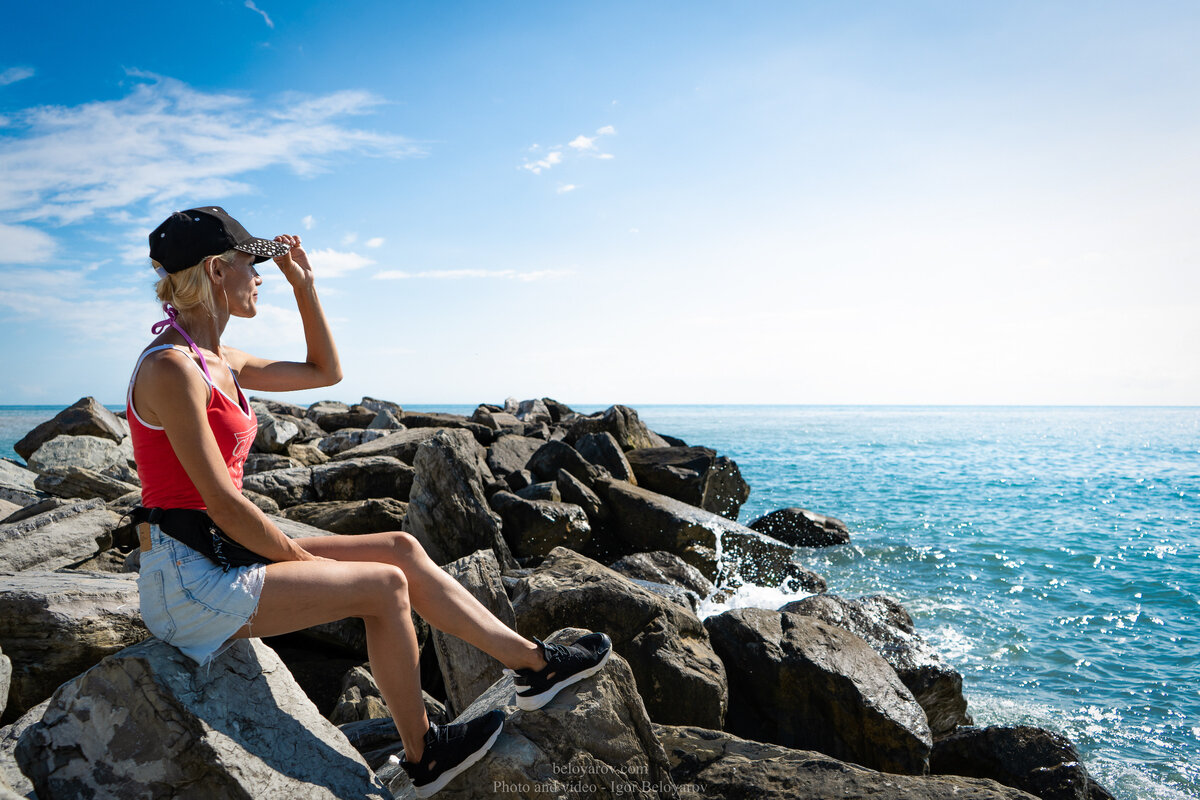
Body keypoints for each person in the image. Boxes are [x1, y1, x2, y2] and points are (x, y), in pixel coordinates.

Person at [127, 207, 611, 798]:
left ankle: (533, 665)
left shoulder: (221, 361)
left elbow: (324, 371)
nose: (261, 275)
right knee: (384, 588)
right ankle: (424, 754)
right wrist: (307, 568)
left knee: (400, 548)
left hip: (220, 555)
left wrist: (305, 288)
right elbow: (224, 505)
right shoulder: (172, 368)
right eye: (253, 263)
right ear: (215, 269)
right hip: (188, 580)